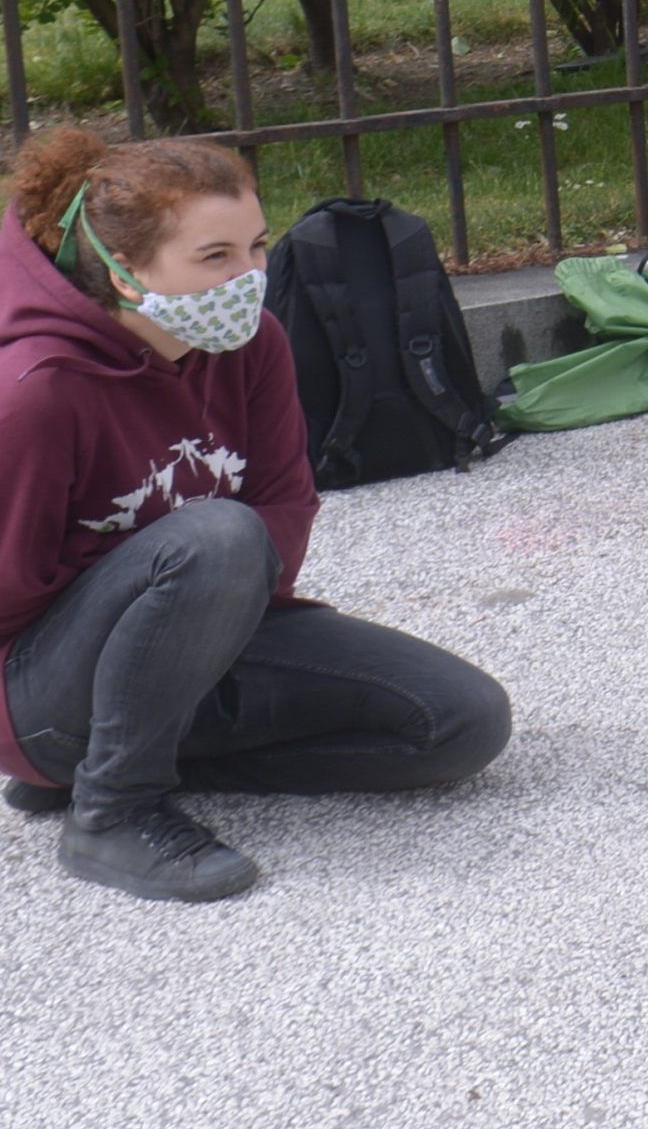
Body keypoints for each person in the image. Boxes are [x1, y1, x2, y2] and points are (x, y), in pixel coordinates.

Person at [0, 130, 511, 903]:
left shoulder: (253, 342)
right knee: (215, 535)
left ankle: (128, 761)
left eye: (257, 247)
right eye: (215, 257)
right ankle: (111, 810)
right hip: (35, 691)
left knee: (459, 723)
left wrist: (194, 625)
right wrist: (161, 600)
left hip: (197, 632)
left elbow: (284, 503)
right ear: (125, 270)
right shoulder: (36, 391)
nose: (251, 276)